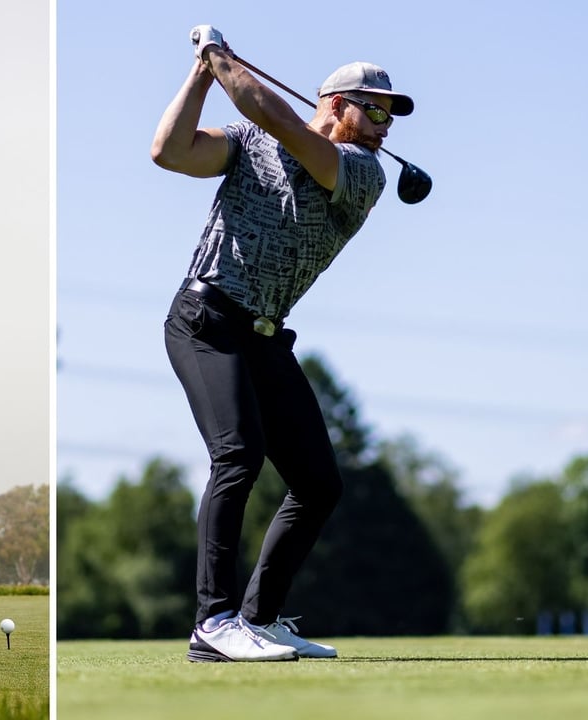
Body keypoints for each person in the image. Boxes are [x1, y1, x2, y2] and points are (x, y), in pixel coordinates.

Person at [151, 25, 415, 662]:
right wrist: (201, 74)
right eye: (374, 111)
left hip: (265, 336)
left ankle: (259, 619)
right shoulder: (247, 143)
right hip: (206, 319)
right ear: (336, 104)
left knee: (319, 483)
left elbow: (280, 122)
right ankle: (213, 623)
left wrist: (218, 58)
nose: (384, 128)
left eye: (390, 118)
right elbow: (168, 151)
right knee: (238, 454)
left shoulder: (362, 173)